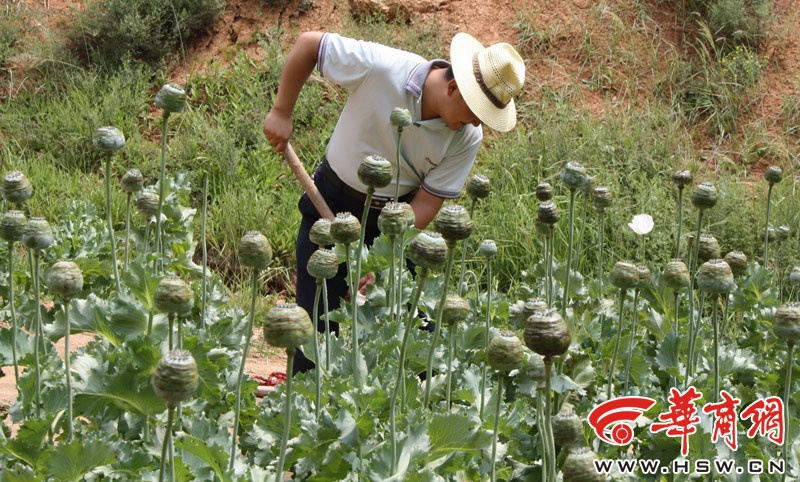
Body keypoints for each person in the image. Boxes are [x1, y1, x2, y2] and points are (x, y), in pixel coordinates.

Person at [263, 30, 525, 373]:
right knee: (312, 334)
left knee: (416, 341)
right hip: (331, 201)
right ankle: (305, 406)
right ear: (452, 88)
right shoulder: (383, 68)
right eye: (478, 111)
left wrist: (382, 258)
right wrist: (282, 111)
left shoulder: (467, 136)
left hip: (395, 224)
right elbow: (309, 44)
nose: (478, 123)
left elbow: (427, 204)